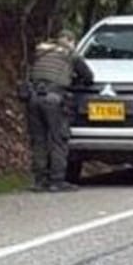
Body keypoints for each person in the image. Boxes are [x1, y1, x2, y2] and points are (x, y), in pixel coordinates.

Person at [23, 29, 94, 192]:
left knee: (38, 140)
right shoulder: (70, 53)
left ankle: (39, 181)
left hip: (33, 98)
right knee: (58, 139)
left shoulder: (41, 50)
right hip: (54, 99)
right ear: (70, 40)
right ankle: (57, 181)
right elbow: (88, 76)